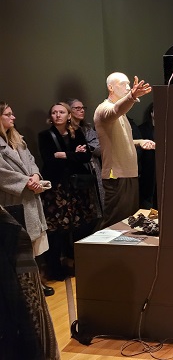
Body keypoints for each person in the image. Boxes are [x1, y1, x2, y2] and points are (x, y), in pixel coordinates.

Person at [38, 102, 95, 281]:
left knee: (79, 227)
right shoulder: (45, 135)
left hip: (76, 188)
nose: (57, 115)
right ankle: (55, 268)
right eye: (54, 112)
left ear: (69, 115)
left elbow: (86, 156)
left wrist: (64, 154)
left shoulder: (76, 133)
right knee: (56, 230)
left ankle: (77, 263)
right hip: (57, 189)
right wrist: (73, 154)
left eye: (61, 112)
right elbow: (49, 160)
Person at [0, 102, 52, 295]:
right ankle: (24, 287)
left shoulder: (17, 139)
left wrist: (35, 176)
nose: (13, 117)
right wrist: (25, 182)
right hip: (13, 199)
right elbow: (2, 173)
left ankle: (35, 283)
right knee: (19, 245)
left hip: (30, 197)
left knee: (33, 242)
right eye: (8, 114)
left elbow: (31, 161)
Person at [94, 72, 154, 229]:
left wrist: (140, 142)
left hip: (128, 174)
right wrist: (132, 96)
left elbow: (120, 141)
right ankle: (98, 245)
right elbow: (115, 110)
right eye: (123, 84)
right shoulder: (104, 109)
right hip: (116, 175)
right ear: (111, 87)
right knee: (115, 222)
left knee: (127, 221)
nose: (127, 87)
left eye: (128, 84)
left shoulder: (122, 114)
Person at [67, 98, 103, 216]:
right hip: (78, 169)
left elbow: (98, 147)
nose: (82, 110)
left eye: (83, 108)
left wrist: (89, 148)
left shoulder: (87, 128)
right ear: (69, 111)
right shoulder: (67, 130)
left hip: (93, 166)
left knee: (98, 199)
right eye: (77, 108)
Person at [138, 103, 156, 210]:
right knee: (147, 195)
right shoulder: (143, 129)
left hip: (161, 166)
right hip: (147, 166)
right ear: (151, 113)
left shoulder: (166, 129)